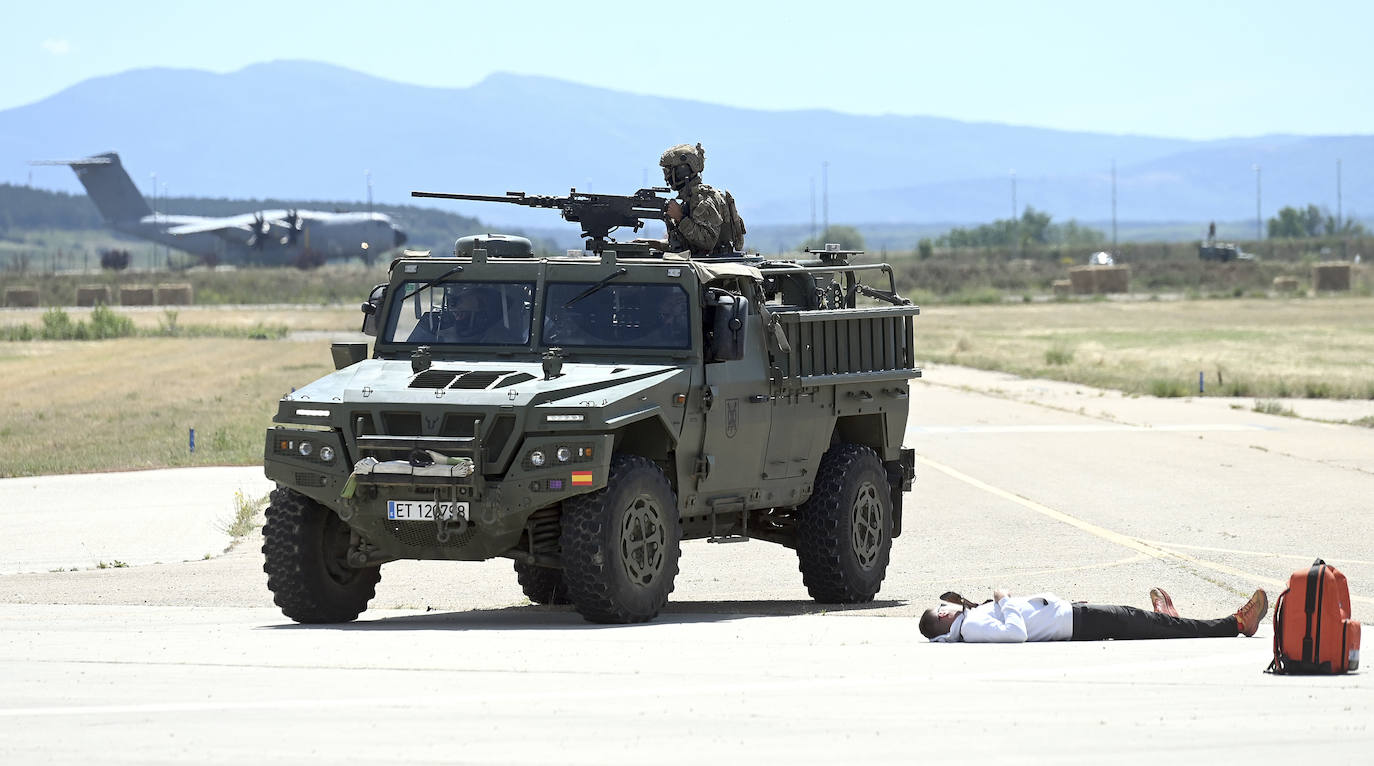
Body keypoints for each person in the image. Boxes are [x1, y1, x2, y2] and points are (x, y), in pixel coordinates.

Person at [919, 586, 1268, 643]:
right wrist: (1003, 598)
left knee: (1145, 623)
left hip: (1075, 616)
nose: (949, 606)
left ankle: (1168, 620)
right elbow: (1016, 634)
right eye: (943, 608)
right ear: (944, 618)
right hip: (1078, 623)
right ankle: (1237, 623)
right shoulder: (971, 627)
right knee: (1142, 622)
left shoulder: (971, 624)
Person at [658, 143, 745, 256]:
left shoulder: (703, 199)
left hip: (712, 268)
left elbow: (708, 242)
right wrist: (655, 245)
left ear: (682, 171)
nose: (666, 176)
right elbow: (689, 245)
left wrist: (680, 218)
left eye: (669, 170)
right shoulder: (689, 199)